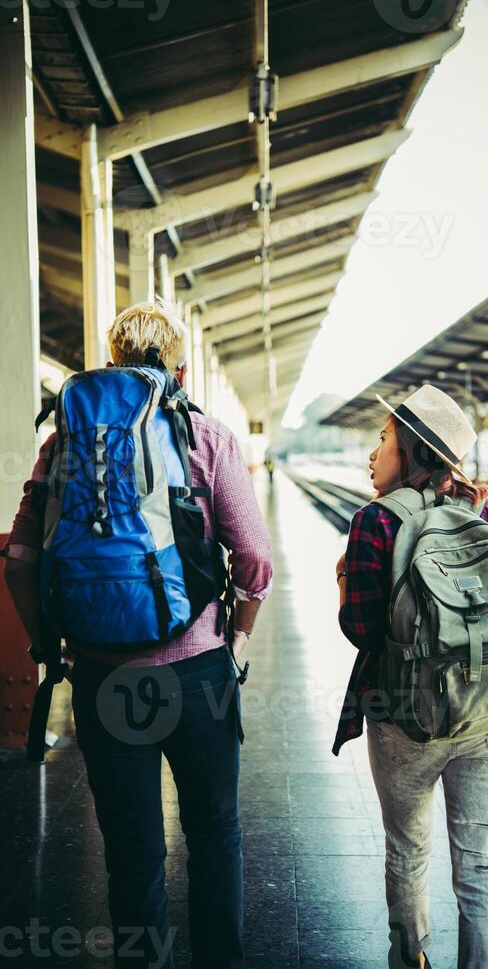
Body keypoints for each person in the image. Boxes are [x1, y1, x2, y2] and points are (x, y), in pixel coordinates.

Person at [4, 299, 273, 969]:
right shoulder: (206, 438)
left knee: (131, 853)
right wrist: (235, 640)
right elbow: (257, 561)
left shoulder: (64, 441)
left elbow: (19, 562)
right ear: (180, 365)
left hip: (102, 677)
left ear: (112, 359)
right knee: (213, 832)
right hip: (199, 671)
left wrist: (49, 650)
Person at [333, 385, 488, 969]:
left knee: (408, 853)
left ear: (412, 451)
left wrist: (342, 576)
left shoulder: (374, 523)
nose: (372, 453)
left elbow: (362, 629)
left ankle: (409, 959)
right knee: (481, 861)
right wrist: (485, 631)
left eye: (383, 440)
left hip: (405, 718)